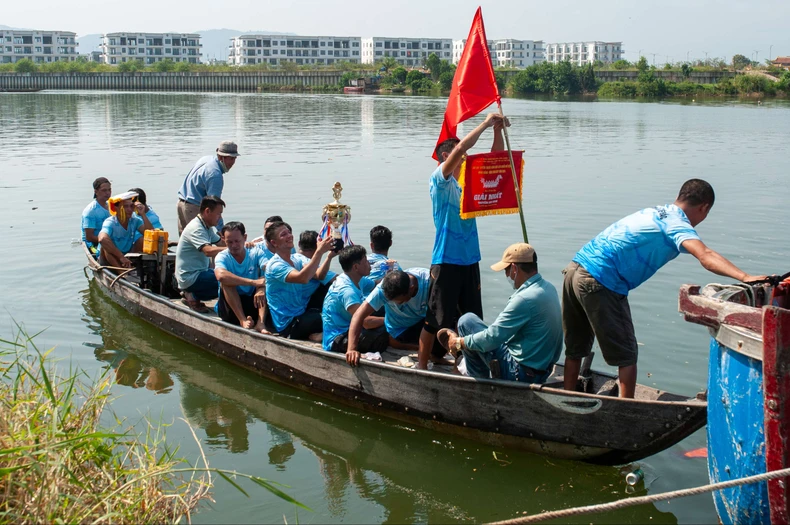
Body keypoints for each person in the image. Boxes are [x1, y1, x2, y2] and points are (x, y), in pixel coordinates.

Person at [562, 179, 767, 398]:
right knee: (627, 357)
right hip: (600, 279)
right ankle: (627, 413)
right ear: (704, 207)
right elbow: (705, 256)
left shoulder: (656, 212)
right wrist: (746, 277)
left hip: (575, 269)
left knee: (576, 348)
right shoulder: (676, 224)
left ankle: (566, 397)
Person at [416, 112, 507, 370]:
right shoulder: (439, 181)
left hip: (470, 259)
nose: (466, 159)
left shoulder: (468, 183)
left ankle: (471, 364)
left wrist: (497, 130)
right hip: (446, 258)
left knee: (471, 318)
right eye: (461, 156)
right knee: (435, 318)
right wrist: (486, 122)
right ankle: (421, 368)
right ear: (448, 157)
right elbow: (464, 146)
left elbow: (494, 161)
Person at [437, 244, 563, 383]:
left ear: (514, 268)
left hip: (519, 373)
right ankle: (471, 365)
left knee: (466, 322)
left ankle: (477, 379)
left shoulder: (523, 299)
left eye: (507, 270)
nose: (506, 275)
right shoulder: (549, 288)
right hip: (543, 370)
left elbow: (492, 338)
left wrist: (460, 342)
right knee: (478, 332)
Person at [346, 268, 444, 366]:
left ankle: (434, 355)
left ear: (412, 288)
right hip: (399, 330)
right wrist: (351, 349)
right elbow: (358, 315)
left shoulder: (429, 283)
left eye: (401, 301)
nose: (398, 304)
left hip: (423, 321)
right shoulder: (382, 289)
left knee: (443, 332)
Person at [264, 221, 337, 340]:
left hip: (303, 312)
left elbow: (319, 275)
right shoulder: (275, 265)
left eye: (289, 232)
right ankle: (322, 336)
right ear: (274, 242)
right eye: (283, 235)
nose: (289, 236)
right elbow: (302, 278)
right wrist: (319, 251)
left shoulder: (297, 258)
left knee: (330, 287)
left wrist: (329, 256)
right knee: (336, 315)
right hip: (289, 324)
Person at [321, 245, 388, 354]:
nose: (369, 264)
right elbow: (365, 322)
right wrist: (391, 320)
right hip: (339, 337)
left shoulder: (357, 279)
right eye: (365, 261)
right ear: (356, 267)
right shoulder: (347, 291)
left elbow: (376, 285)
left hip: (351, 325)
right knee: (384, 331)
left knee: (384, 307)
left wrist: (389, 278)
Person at [214, 221, 269, 332]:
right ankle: (243, 320)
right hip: (230, 308)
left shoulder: (256, 253)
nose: (234, 246)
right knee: (227, 283)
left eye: (237, 241)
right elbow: (221, 276)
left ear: (245, 238)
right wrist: (252, 282)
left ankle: (260, 323)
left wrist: (261, 289)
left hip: (252, 302)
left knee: (262, 283)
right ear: (224, 240)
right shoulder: (222, 256)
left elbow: (269, 271)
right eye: (229, 242)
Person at [175, 195, 226, 312]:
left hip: (200, 272)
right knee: (228, 280)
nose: (220, 217)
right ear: (207, 211)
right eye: (218, 213)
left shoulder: (206, 227)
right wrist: (233, 250)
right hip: (191, 277)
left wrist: (242, 245)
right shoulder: (196, 228)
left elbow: (221, 244)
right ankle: (193, 296)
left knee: (230, 275)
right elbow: (208, 251)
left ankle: (192, 295)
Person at [177, 141, 239, 234]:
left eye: (234, 158)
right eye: (230, 158)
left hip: (181, 204)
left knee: (186, 242)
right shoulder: (215, 175)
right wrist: (222, 231)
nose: (233, 162)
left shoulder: (206, 159)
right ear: (220, 157)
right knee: (201, 244)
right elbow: (214, 206)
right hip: (193, 208)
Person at [97, 191, 154, 269]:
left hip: (127, 253)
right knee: (105, 247)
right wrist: (120, 256)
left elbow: (151, 234)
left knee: (142, 240)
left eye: (131, 206)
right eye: (125, 207)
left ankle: (130, 266)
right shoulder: (110, 222)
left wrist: (143, 214)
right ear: (116, 208)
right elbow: (102, 238)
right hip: (111, 256)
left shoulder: (135, 220)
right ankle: (122, 272)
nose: (129, 209)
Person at [82, 177, 112, 255]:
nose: (108, 193)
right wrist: (108, 241)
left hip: (110, 239)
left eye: (109, 190)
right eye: (104, 190)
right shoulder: (91, 211)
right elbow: (89, 237)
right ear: (96, 192)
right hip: (94, 244)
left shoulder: (112, 206)